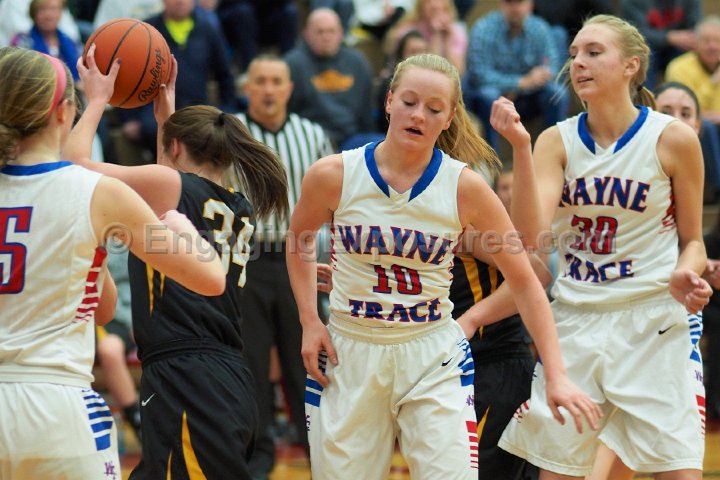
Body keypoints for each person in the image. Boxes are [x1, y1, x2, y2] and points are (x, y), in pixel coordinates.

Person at [286, 52, 601, 479]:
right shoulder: (334, 174)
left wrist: (557, 375)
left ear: (450, 118)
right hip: (351, 349)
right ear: (389, 101)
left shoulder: (465, 187)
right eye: (409, 102)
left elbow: (527, 279)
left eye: (434, 109)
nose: (419, 115)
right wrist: (309, 319)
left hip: (431, 352)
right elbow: (299, 240)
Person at [492, 14, 711, 479]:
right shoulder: (557, 141)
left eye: (594, 52)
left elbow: (692, 240)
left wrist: (685, 271)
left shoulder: (672, 138)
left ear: (632, 65)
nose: (578, 63)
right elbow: (531, 236)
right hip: (577, 320)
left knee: (678, 471)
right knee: (558, 472)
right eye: (574, 54)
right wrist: (521, 149)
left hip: (653, 320)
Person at [0, 46, 225, 479]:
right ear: (64, 112)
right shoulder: (97, 192)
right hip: (54, 407)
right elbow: (210, 278)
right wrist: (183, 227)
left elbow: (102, 308)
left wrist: (88, 255)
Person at [66, 46, 289, 478]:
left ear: (175, 147)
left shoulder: (171, 185)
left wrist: (96, 100)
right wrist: (166, 116)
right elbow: (169, 181)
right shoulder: (238, 204)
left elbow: (74, 167)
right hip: (219, 371)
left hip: (188, 375)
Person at [585, 80, 714, 480]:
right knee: (606, 461)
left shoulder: (685, 177)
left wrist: (697, 269)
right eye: (667, 110)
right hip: (612, 328)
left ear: (697, 127)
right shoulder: (623, 176)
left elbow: (693, 245)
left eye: (686, 113)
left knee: (671, 463)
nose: (676, 119)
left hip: (669, 333)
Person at [229, 54, 333, 480]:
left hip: (299, 259)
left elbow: (335, 198)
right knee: (249, 362)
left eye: (276, 81)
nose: (269, 89)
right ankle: (257, 459)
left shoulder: (313, 134)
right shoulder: (230, 132)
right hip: (246, 260)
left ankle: (319, 451)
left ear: (289, 88)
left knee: (304, 358)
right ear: (247, 88)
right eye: (261, 81)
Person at [465, 0, 568, 154]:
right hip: (496, 98)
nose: (515, 8)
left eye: (519, 2)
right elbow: (479, 74)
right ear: (501, 4)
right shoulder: (484, 28)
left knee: (556, 92)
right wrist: (519, 83)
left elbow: (551, 67)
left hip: (530, 96)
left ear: (530, 4)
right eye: (509, 2)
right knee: (488, 95)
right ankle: (492, 160)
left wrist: (522, 87)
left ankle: (551, 154)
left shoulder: (539, 27)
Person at [285, 8, 381, 151]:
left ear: (341, 33)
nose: (326, 37)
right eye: (320, 32)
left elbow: (365, 112)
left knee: (381, 146)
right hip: (309, 139)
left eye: (331, 31)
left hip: (351, 139)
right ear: (306, 34)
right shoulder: (292, 64)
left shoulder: (357, 62)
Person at [10, 0, 81, 82]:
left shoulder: (70, 40)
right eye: (43, 10)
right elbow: (19, 74)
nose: (48, 15)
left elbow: (82, 68)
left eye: (53, 9)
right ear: (33, 13)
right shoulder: (23, 40)